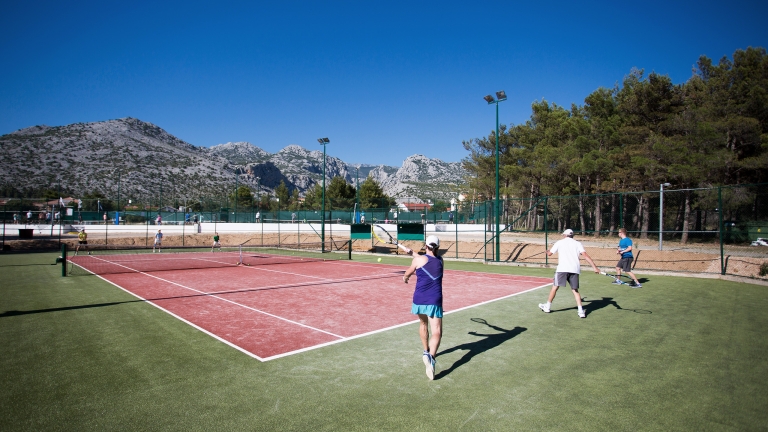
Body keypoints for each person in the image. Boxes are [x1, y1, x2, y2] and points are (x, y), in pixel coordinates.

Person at [403, 235, 444, 380]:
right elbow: (429, 259)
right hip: (434, 299)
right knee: (437, 331)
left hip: (419, 299)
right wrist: (412, 253)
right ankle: (431, 357)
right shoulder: (441, 261)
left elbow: (408, 272)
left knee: (423, 323)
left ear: (426, 246)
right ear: (438, 247)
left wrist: (405, 278)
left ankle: (426, 351)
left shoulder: (417, 260)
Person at [538, 229, 600, 319]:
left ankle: (547, 307)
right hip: (574, 269)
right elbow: (585, 256)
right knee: (575, 290)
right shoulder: (578, 243)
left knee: (555, 287)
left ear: (564, 235)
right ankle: (581, 311)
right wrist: (595, 267)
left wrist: (547, 252)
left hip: (562, 269)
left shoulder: (559, 242)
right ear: (572, 235)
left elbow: (550, 254)